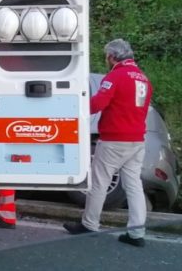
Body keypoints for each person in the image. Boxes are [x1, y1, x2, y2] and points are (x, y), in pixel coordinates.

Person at [63, 39, 152, 247]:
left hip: (114, 139)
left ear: (112, 57)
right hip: (137, 139)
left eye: (107, 57)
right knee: (134, 186)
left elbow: (98, 104)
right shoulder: (144, 79)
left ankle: (90, 224)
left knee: (99, 182)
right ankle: (137, 233)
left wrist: (76, 105)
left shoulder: (115, 76)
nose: (107, 60)